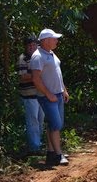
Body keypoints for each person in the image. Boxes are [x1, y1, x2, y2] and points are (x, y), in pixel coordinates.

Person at [30, 28, 70, 166]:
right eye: (54, 39)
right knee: (56, 125)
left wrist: (63, 90)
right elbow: (36, 79)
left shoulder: (51, 53)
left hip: (57, 94)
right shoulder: (38, 56)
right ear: (46, 41)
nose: (57, 41)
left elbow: (57, 74)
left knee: (54, 124)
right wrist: (48, 94)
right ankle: (59, 155)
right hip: (48, 96)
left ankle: (51, 153)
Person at [16, 34, 47, 154]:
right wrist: (36, 76)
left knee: (40, 120)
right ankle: (34, 147)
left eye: (34, 45)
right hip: (29, 95)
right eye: (29, 45)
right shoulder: (23, 58)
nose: (32, 47)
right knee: (32, 120)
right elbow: (22, 76)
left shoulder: (39, 57)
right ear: (25, 46)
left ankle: (39, 144)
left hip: (40, 94)